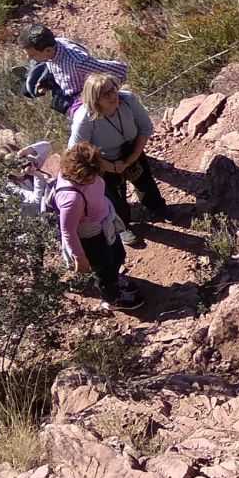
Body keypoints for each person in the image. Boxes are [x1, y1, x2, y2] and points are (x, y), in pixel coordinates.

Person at [68, 72, 169, 246]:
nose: (113, 96)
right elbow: (78, 152)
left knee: (144, 181)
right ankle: (123, 227)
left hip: (131, 149)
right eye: (105, 94)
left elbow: (145, 128)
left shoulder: (128, 100)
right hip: (102, 159)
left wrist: (132, 158)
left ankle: (157, 208)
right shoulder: (84, 118)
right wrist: (110, 167)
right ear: (95, 98)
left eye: (113, 89)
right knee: (114, 196)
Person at [55, 143, 143, 312]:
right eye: (91, 175)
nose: (96, 176)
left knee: (117, 255)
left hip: (104, 223)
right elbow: (68, 231)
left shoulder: (88, 173)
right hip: (91, 236)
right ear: (80, 174)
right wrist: (80, 257)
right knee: (103, 269)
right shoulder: (71, 199)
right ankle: (111, 298)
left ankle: (115, 279)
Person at [20, 24, 128, 115]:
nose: (29, 58)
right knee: (29, 87)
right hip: (61, 78)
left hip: (77, 95)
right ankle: (32, 78)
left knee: (61, 104)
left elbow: (119, 70)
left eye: (33, 55)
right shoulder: (55, 44)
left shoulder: (78, 63)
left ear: (48, 50)